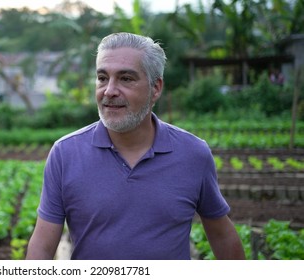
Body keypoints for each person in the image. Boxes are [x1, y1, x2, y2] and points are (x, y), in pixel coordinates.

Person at [26, 32, 245, 260]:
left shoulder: (193, 154)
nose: (109, 90)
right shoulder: (65, 154)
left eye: (126, 79)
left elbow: (221, 236)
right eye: (102, 78)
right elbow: (42, 244)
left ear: (156, 88)